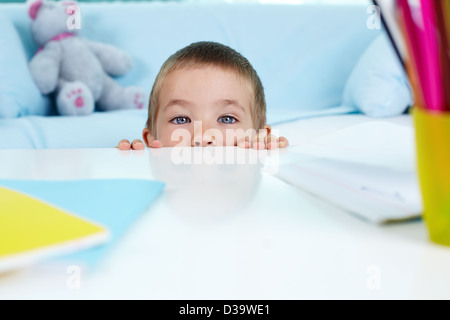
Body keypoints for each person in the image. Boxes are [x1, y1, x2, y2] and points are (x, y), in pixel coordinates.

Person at [117, 41, 288, 150]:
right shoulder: (144, 162)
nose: (203, 137)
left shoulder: (263, 154)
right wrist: (133, 163)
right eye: (181, 119)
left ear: (259, 134)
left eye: (227, 119)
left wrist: (269, 153)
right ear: (151, 138)